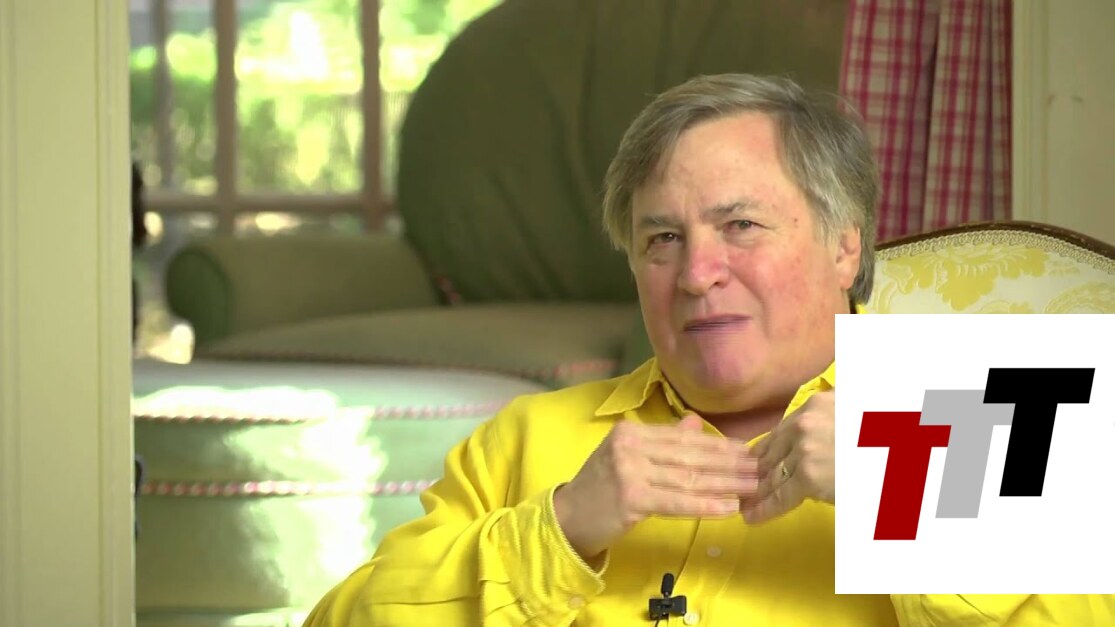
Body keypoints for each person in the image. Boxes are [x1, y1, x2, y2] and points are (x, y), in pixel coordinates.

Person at [302, 74, 1113, 626]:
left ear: (843, 245)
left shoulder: (1000, 408)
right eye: (661, 238)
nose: (695, 274)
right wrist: (559, 527)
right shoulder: (525, 438)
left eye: (740, 225)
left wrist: (897, 483)